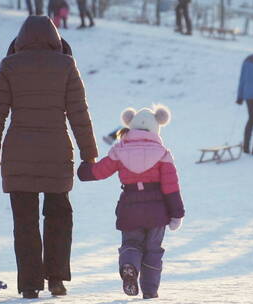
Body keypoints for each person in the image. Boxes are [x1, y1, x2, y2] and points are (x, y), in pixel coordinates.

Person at [0, 16, 98, 299]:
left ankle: (30, 284)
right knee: (59, 215)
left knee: (25, 222)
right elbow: (78, 113)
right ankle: (57, 278)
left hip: (18, 154)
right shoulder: (66, 65)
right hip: (56, 152)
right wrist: (89, 153)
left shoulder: (9, 65)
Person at [77, 105, 185, 300]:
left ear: (131, 125)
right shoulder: (162, 153)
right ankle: (150, 292)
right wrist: (177, 213)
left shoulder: (120, 149)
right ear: (156, 127)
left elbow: (99, 171)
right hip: (157, 211)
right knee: (153, 250)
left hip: (130, 207)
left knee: (131, 244)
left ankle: (129, 266)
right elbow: (171, 187)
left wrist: (84, 171)